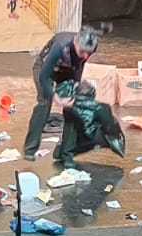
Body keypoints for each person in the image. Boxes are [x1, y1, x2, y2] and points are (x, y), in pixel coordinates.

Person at [22, 25, 103, 160]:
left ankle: (63, 151)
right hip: (45, 69)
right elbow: (44, 77)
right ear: (75, 43)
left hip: (67, 71)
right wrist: (56, 98)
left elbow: (79, 67)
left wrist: (75, 89)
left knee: (74, 105)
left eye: (88, 53)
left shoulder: (88, 47)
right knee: (45, 103)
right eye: (82, 52)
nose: (85, 56)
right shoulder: (60, 47)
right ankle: (30, 149)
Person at [55, 81, 126, 169]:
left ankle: (66, 156)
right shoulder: (102, 107)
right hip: (93, 138)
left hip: (78, 141)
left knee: (71, 125)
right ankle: (67, 153)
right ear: (93, 94)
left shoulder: (68, 108)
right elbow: (109, 128)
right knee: (110, 121)